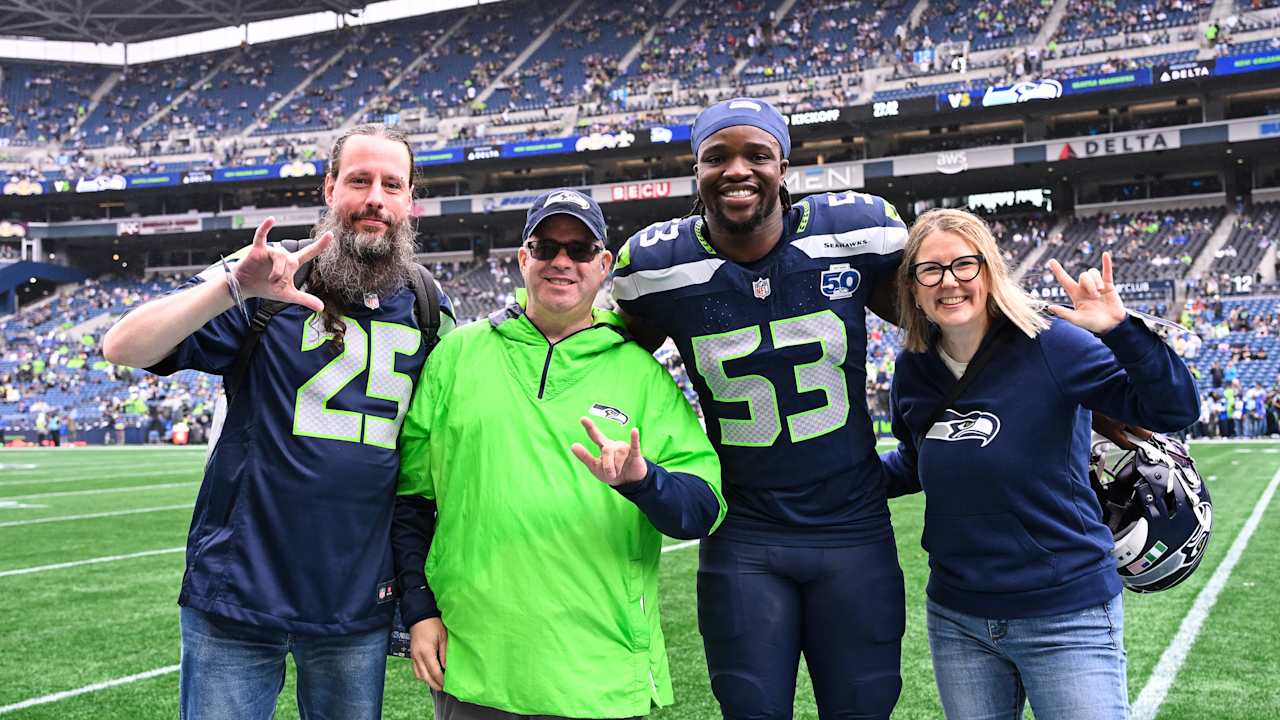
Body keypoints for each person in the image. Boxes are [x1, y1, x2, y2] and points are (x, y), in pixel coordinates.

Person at [101, 124, 454, 720]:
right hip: (240, 589)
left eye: (391, 184)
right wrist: (234, 286)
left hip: (355, 598)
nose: (375, 198)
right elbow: (123, 346)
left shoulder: (427, 304)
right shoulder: (269, 274)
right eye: (359, 180)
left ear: (410, 200)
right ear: (329, 189)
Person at [610, 98, 908, 719]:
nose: (737, 170)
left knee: (864, 706)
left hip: (852, 525)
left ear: (784, 168)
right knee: (750, 708)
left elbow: (950, 323)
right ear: (696, 171)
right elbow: (606, 360)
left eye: (757, 155)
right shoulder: (657, 266)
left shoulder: (855, 232)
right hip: (743, 529)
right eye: (717, 157)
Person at [393, 189, 725, 719]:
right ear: (523, 259)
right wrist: (417, 610)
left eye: (580, 249)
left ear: (603, 264)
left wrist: (643, 481)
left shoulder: (642, 377)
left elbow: (702, 509)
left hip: (597, 672)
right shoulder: (455, 356)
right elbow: (411, 500)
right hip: (474, 662)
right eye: (546, 247)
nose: (561, 262)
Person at [880, 209, 1199, 720]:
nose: (949, 281)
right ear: (913, 288)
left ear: (990, 271)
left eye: (964, 265)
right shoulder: (913, 368)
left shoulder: (1052, 344)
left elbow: (1174, 409)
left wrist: (1121, 332)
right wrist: (821, 474)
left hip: (1065, 612)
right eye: (930, 270)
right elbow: (914, 463)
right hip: (958, 618)